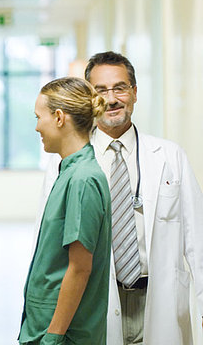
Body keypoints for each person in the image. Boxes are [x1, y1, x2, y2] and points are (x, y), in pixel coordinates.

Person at [39, 51, 203, 344]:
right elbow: (50, 248)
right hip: (96, 303)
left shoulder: (169, 156)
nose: (112, 99)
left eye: (120, 88)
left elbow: (197, 240)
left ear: (135, 93)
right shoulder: (66, 162)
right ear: (91, 99)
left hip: (158, 298)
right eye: (101, 90)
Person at [19, 77, 112, 345]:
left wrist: (54, 336)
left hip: (64, 334)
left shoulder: (83, 179)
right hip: (46, 326)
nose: (37, 127)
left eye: (39, 117)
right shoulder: (69, 172)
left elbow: (80, 268)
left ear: (59, 117)